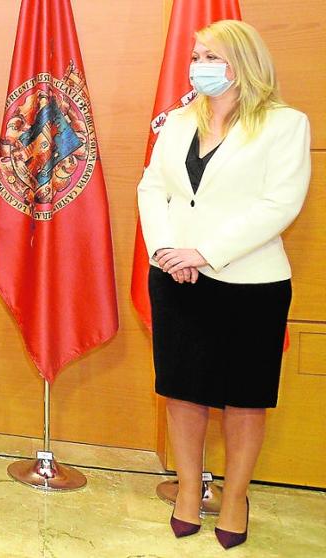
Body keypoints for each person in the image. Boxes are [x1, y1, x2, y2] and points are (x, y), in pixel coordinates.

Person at [137, 20, 310, 549]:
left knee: (243, 400)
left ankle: (235, 497)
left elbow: (280, 204)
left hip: (248, 285)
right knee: (184, 394)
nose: (196, 65)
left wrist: (206, 253)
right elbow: (152, 187)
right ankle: (189, 490)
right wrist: (169, 251)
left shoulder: (285, 124)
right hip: (175, 278)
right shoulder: (179, 121)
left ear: (241, 63)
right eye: (194, 55)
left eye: (207, 55)